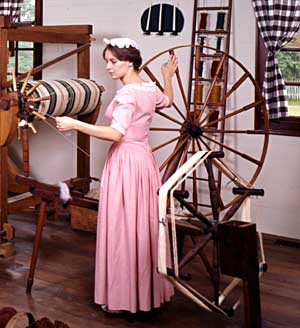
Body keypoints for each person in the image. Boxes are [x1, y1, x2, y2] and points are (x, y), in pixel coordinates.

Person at [56, 37, 178, 314]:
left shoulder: (127, 94)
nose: (109, 67)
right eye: (106, 62)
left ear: (130, 62)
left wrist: (75, 123)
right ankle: (144, 293)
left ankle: (124, 298)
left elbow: (115, 134)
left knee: (123, 225)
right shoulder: (148, 88)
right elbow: (167, 101)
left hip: (125, 161)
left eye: (113, 61)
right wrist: (166, 77)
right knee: (142, 224)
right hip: (144, 161)